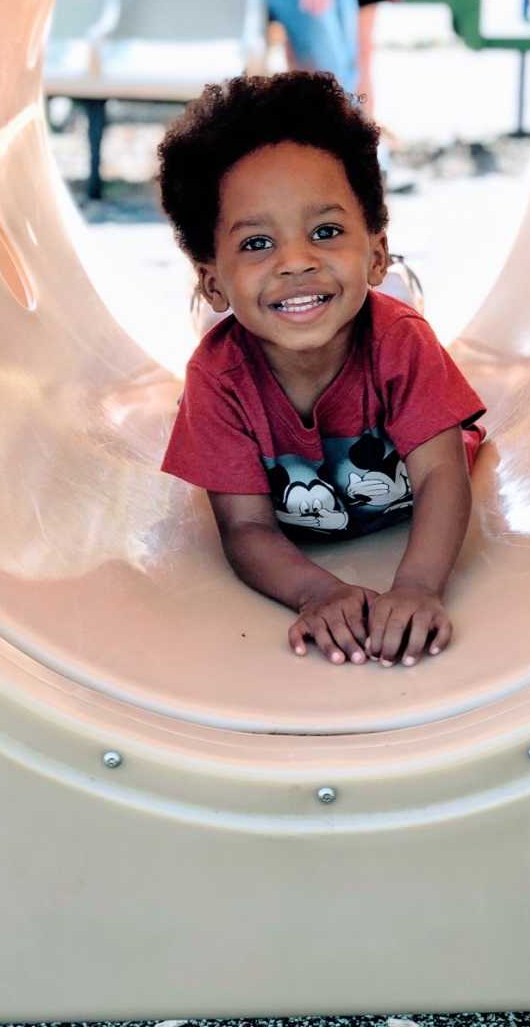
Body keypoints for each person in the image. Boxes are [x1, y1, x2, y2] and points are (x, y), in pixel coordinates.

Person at [159, 72, 485, 668]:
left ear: (376, 253)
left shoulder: (400, 342)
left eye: (326, 233)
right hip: (313, 514)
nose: (297, 261)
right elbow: (245, 528)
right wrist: (320, 593)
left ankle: (386, 291)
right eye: (257, 244)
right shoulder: (217, 379)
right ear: (212, 281)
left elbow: (441, 477)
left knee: (415, 368)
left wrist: (417, 587)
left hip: (409, 474)